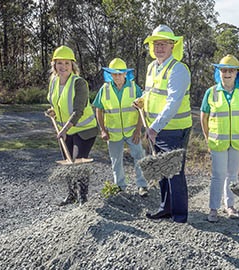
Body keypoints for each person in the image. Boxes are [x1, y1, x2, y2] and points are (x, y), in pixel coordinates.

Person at [133, 24, 192, 223]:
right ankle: (165, 208)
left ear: (173, 46)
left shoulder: (178, 69)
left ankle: (179, 216)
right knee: (162, 170)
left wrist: (154, 128)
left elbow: (173, 102)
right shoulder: (152, 67)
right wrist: (142, 99)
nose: (159, 47)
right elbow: (152, 92)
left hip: (174, 129)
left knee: (174, 172)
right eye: (156, 43)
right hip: (156, 128)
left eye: (164, 44)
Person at [200, 55, 239, 223]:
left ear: (237, 73)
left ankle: (230, 206)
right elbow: (203, 117)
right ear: (219, 72)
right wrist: (207, 137)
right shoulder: (211, 92)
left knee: (233, 175)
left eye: (231, 70)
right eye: (224, 70)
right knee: (218, 175)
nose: (227, 73)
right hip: (218, 142)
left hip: (238, 142)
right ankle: (213, 208)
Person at [47, 45, 98, 206]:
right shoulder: (54, 82)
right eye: (59, 63)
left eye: (67, 63)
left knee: (78, 162)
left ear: (73, 65)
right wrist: (52, 112)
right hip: (66, 130)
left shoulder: (79, 83)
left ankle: (83, 198)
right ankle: (71, 195)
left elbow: (78, 111)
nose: (63, 67)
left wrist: (64, 129)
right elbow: (56, 102)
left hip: (84, 129)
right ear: (54, 65)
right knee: (67, 162)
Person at [93, 58, 149, 197]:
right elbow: (99, 109)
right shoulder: (104, 90)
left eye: (120, 73)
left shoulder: (134, 88)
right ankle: (120, 187)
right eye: (114, 73)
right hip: (113, 134)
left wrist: (138, 130)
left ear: (125, 74)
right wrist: (103, 130)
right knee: (116, 160)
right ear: (110, 75)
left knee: (139, 157)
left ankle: (142, 186)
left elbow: (141, 109)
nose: (117, 76)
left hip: (132, 132)